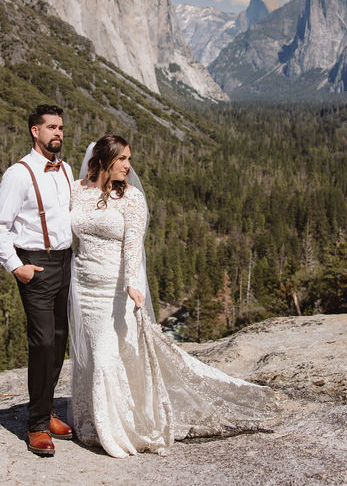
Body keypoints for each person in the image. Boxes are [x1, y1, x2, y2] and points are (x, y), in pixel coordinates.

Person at [69, 135, 277, 458]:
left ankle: (118, 429)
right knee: (96, 357)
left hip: (114, 292)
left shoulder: (132, 199)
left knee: (107, 355)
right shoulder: (76, 191)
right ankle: (94, 421)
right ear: (103, 161)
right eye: (121, 159)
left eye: (129, 159)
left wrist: (131, 283)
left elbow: (132, 246)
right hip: (83, 286)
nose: (128, 165)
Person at [0, 105, 76, 456]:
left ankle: (48, 408)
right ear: (34, 131)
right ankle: (37, 425)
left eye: (60, 128)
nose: (58, 132)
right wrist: (16, 266)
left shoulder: (67, 169)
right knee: (41, 343)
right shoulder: (18, 174)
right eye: (51, 127)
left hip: (66, 263)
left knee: (58, 341)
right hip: (36, 266)